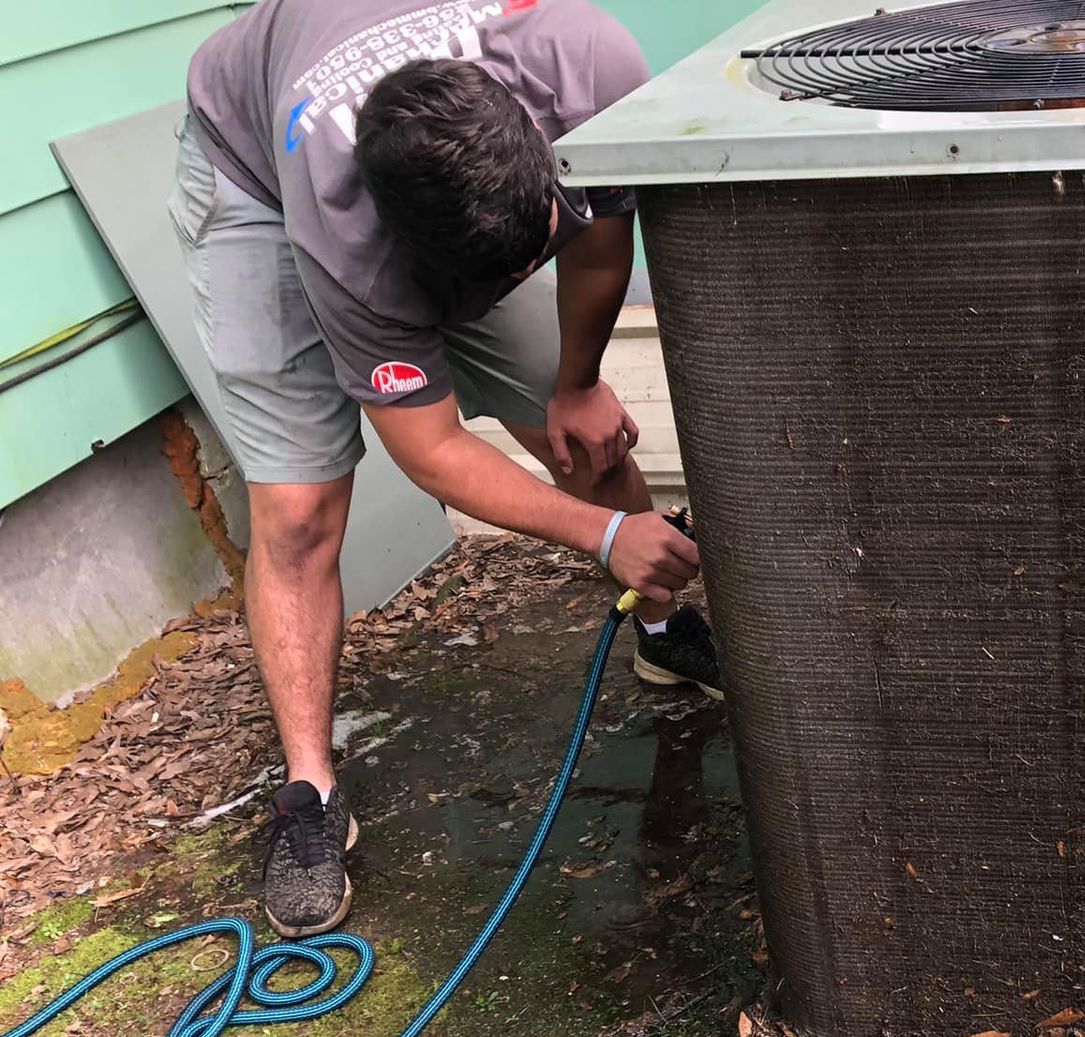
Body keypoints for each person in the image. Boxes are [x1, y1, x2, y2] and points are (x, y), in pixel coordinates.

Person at [173, 0, 722, 941]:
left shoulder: (582, 59)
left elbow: (599, 237)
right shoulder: (351, 240)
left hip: (458, 171)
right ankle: (309, 794)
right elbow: (430, 450)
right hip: (259, 181)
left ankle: (663, 630)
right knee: (300, 510)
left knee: (589, 437)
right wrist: (600, 534)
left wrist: (579, 380)